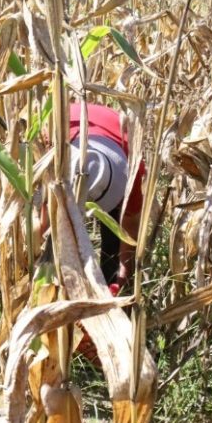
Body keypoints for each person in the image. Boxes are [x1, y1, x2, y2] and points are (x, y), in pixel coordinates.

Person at [67, 101, 143, 294]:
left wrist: (123, 277)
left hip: (113, 138)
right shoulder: (53, 141)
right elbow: (41, 222)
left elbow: (130, 227)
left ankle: (109, 288)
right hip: (70, 130)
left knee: (114, 241)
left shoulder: (132, 168)